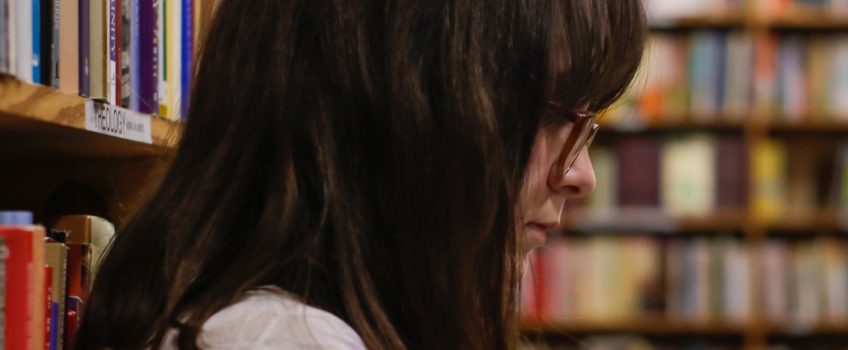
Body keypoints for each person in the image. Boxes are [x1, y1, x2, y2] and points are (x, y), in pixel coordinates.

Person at [74, 0, 646, 348]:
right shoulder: (277, 342)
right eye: (549, 112)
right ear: (394, 102)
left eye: (586, 123)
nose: (581, 175)